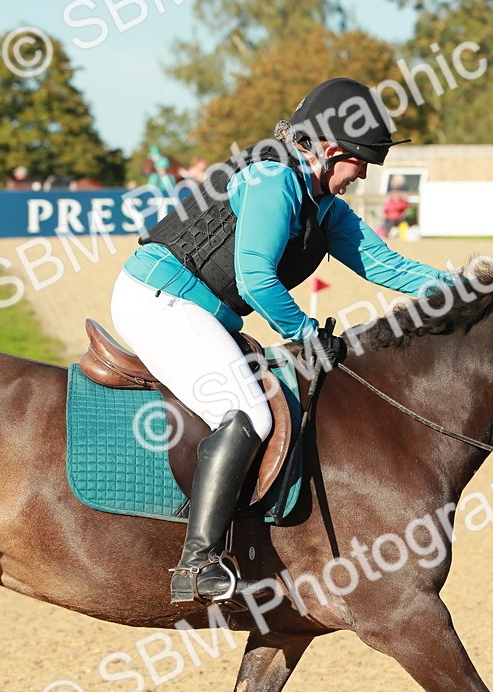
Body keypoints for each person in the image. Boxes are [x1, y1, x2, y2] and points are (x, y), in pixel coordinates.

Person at [110, 77, 456, 605]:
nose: (361, 175)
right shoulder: (271, 179)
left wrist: (471, 288)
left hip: (202, 310)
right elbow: (253, 277)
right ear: (330, 149)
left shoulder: (323, 204)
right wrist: (303, 332)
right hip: (161, 299)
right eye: (360, 162)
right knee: (250, 411)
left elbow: (386, 264)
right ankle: (196, 562)